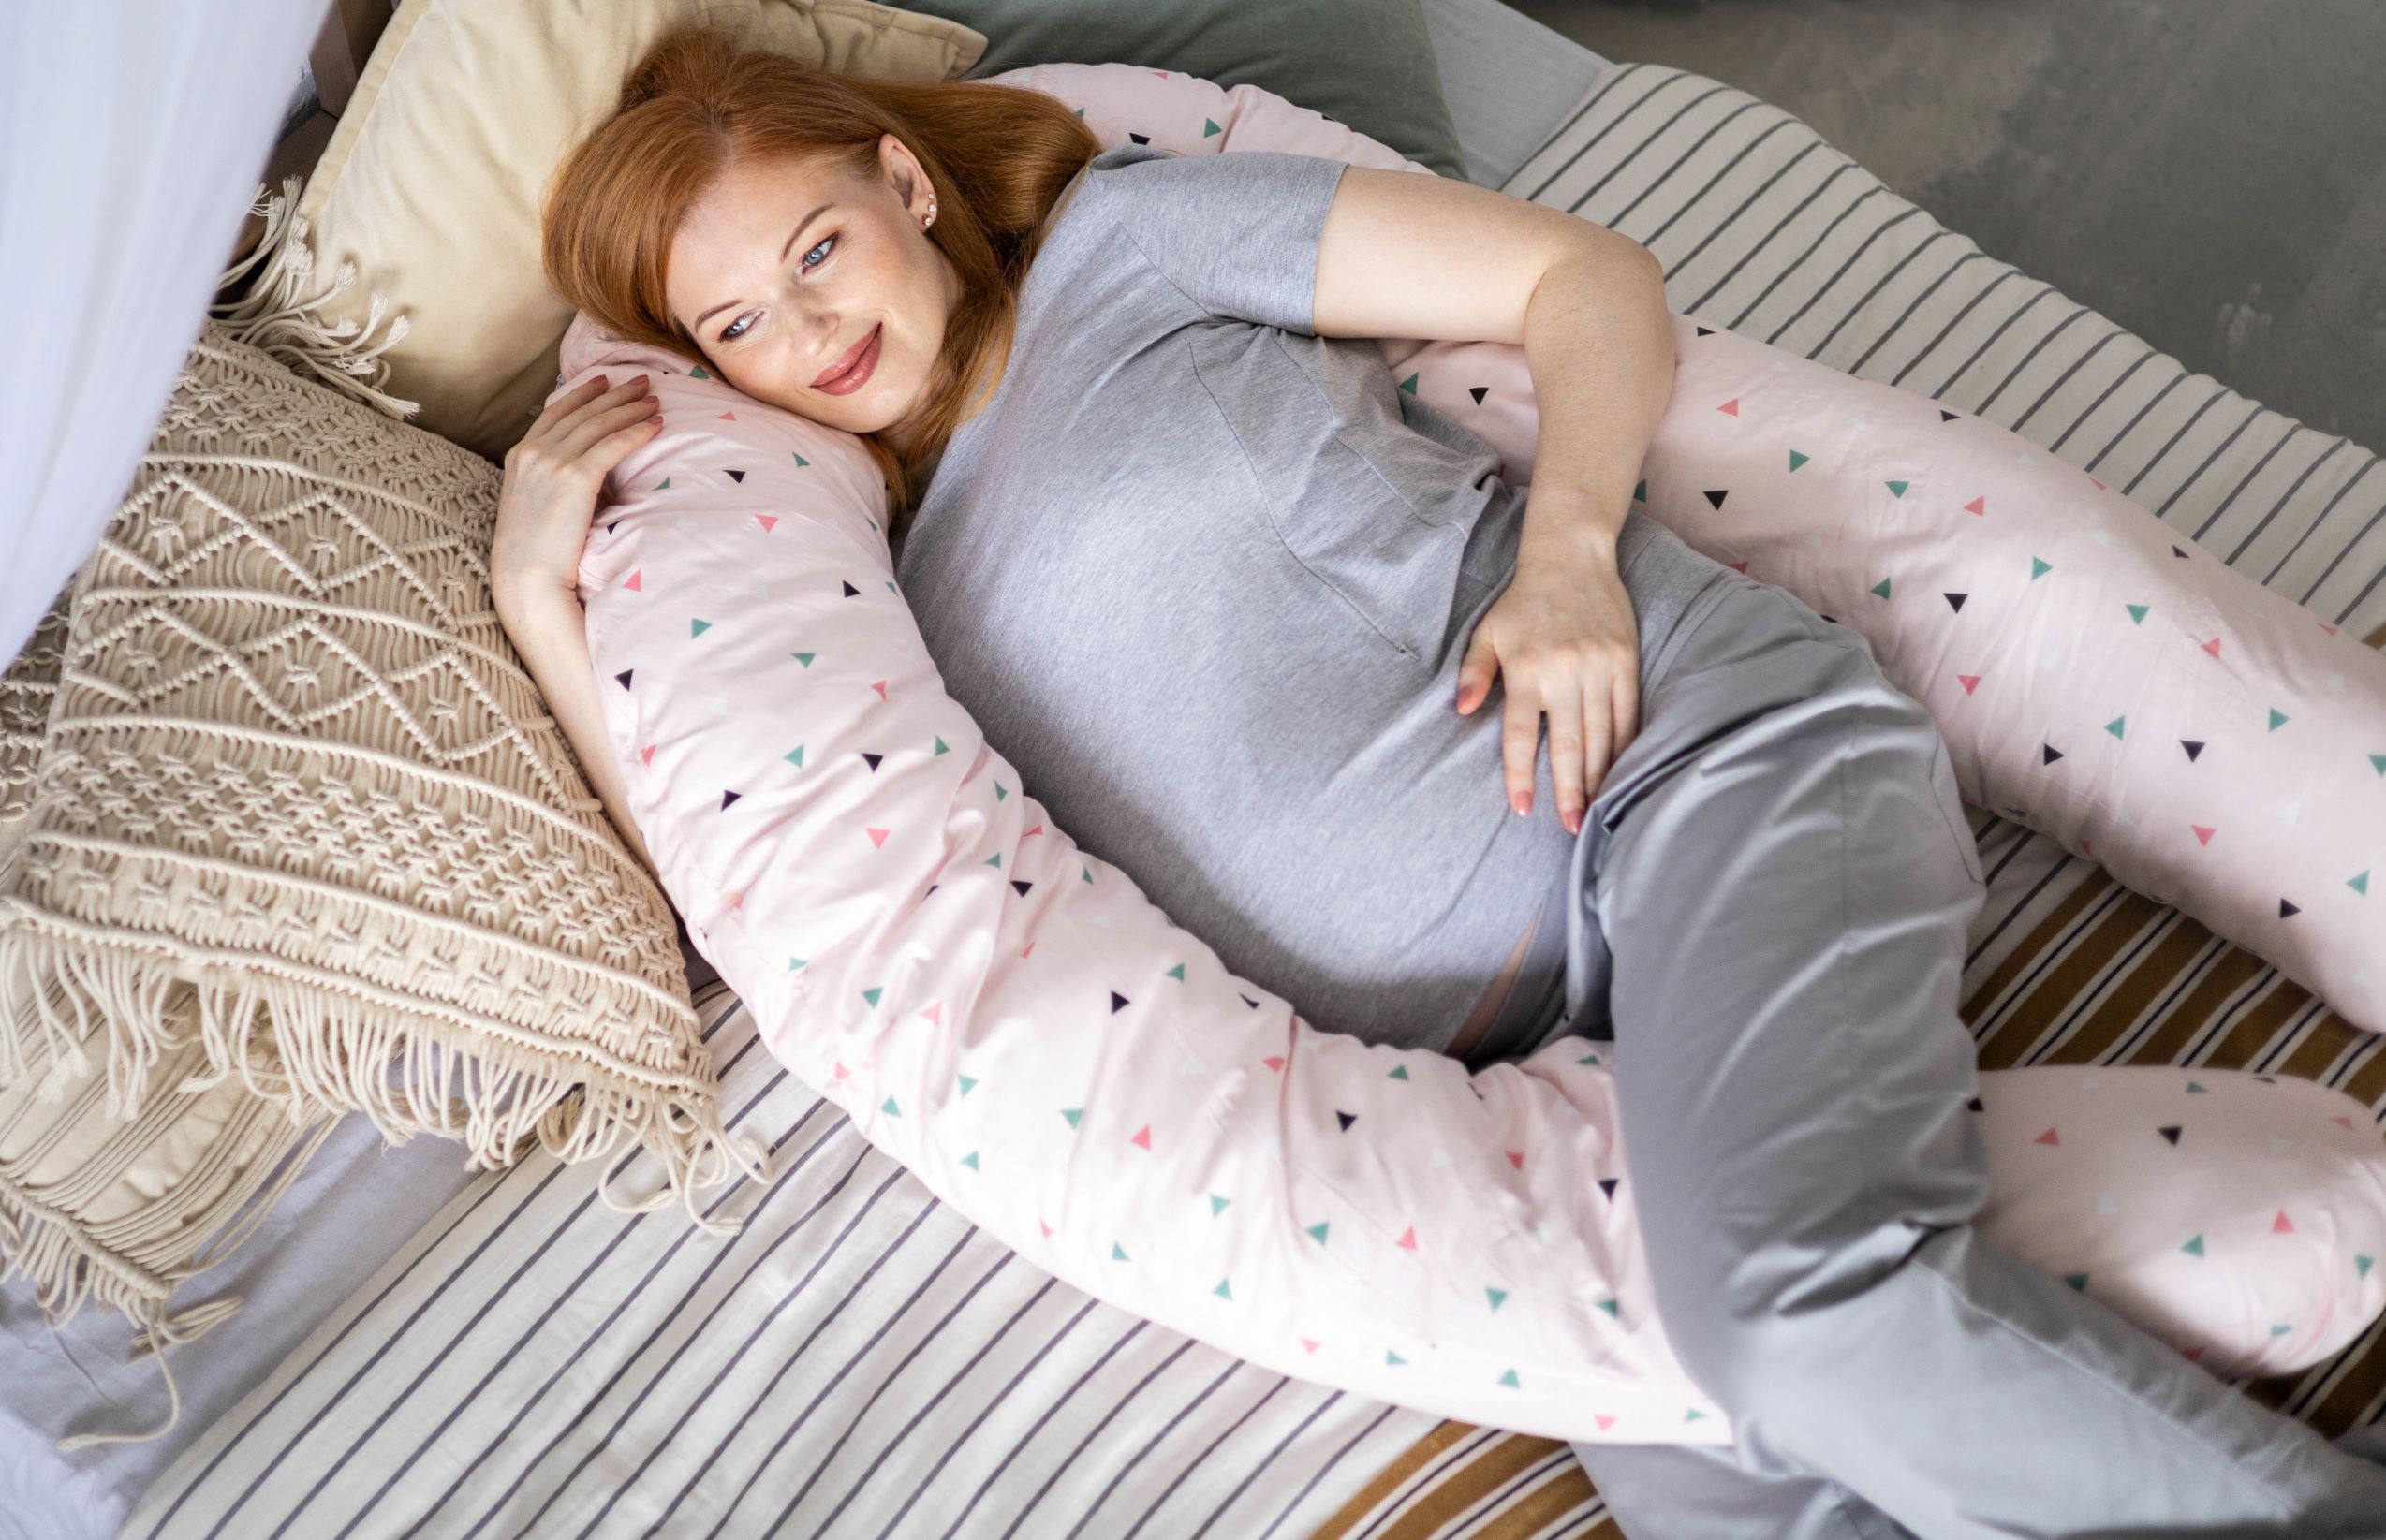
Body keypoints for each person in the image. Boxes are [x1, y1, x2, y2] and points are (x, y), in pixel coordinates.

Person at [488, 21, 2386, 1539]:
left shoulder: (1121, 248)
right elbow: (768, 903)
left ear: (904, 180)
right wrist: (539, 595)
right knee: (1724, 1474)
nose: (809, 333)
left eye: (816, 248)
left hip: (1697, 783)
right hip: (1511, 1078)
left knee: (1792, 1325)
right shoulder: (878, 599)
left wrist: (1568, 551)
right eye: (738, 324)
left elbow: (1582, 278)